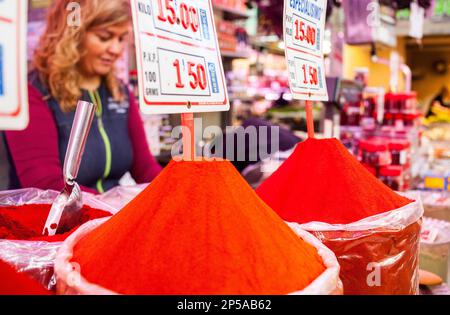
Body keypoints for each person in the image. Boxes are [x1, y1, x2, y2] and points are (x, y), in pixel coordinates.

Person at [4, 0, 162, 194]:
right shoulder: (34, 92)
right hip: (56, 222)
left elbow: (145, 168)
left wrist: (174, 190)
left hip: (111, 218)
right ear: (73, 34)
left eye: (121, 39)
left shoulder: (120, 93)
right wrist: (115, 208)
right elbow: (46, 185)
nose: (116, 49)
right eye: (105, 37)